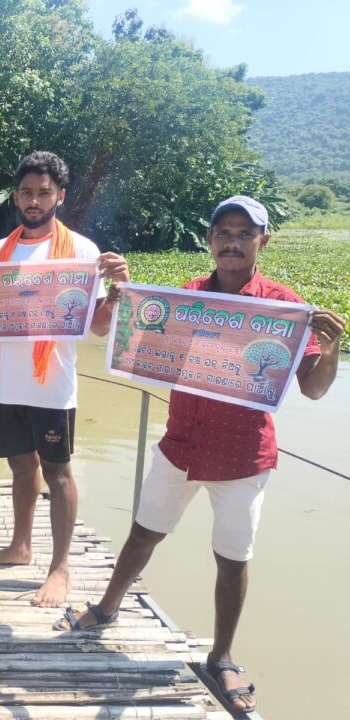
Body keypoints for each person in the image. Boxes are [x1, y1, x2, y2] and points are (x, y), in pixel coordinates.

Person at [54, 195, 345, 714]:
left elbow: (315, 389)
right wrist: (126, 297)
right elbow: (139, 344)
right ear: (210, 241)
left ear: (262, 241)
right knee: (144, 532)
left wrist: (331, 347)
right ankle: (107, 607)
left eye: (244, 233)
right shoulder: (186, 296)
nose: (232, 242)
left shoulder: (285, 307)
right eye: (223, 233)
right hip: (181, 444)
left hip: (243, 455)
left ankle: (222, 656)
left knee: (232, 559)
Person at [0, 151, 130, 610]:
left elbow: (97, 327)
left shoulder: (83, 252)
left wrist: (117, 293)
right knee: (21, 467)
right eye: (27, 192)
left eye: (44, 193)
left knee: (58, 473)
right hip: (7, 382)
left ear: (60, 196)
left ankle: (60, 568)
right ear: (15, 196)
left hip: (53, 385)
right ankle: (20, 546)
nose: (34, 200)